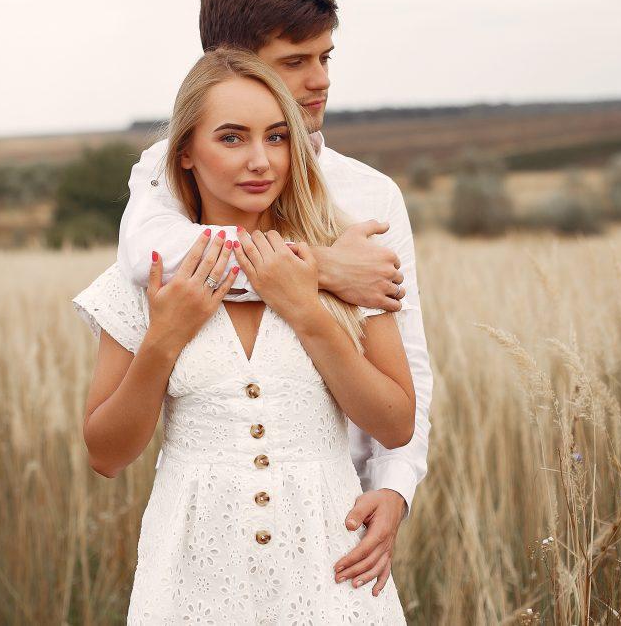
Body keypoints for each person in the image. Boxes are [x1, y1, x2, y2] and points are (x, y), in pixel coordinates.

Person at [116, 0, 434, 599]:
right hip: (207, 531)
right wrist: (323, 268)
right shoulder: (170, 175)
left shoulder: (370, 194)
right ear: (233, 65)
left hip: (333, 515)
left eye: (326, 57)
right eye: (294, 62)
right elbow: (153, 253)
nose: (318, 81)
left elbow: (411, 366)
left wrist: (395, 487)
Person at [73, 47, 411, 622]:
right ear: (182, 153)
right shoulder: (144, 281)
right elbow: (106, 454)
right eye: (232, 138)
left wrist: (308, 313)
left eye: (277, 137)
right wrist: (163, 340)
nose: (261, 161)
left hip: (330, 570)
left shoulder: (346, 265)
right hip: (190, 578)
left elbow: (395, 423)